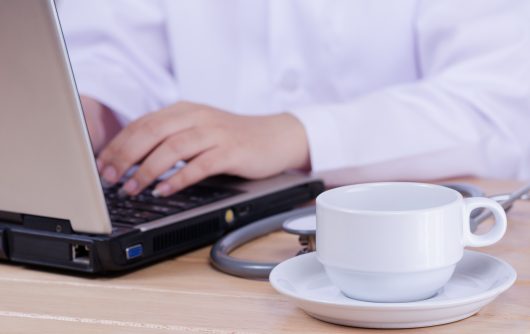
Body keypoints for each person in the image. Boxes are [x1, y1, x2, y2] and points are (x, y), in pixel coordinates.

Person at [58, 0, 530, 198]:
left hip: (421, 242)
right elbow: (116, 45)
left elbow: (497, 109)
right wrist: (87, 108)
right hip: (187, 209)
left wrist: (295, 135)